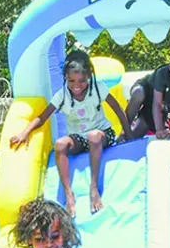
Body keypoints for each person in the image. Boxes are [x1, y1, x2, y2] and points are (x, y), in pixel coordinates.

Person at [10, 50, 134, 217]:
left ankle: (94, 188)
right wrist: (25, 132)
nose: (77, 86)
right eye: (72, 81)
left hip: (102, 134)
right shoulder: (62, 96)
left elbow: (118, 110)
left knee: (93, 136)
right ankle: (69, 194)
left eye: (82, 81)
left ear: (89, 76)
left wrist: (128, 136)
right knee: (61, 144)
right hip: (80, 139)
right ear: (66, 79)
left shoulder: (98, 88)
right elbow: (43, 116)